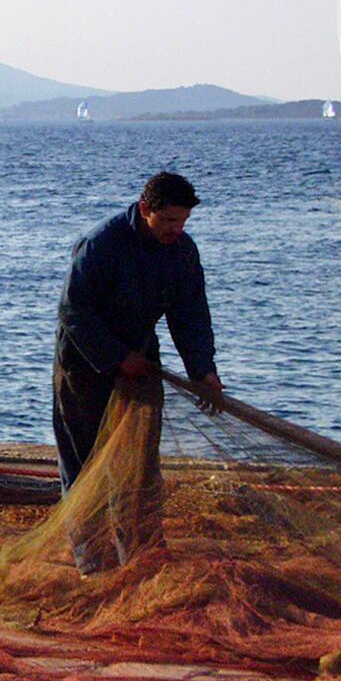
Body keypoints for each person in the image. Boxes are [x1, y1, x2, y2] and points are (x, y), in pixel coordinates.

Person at [54, 172, 223, 493]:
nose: (178, 229)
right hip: (85, 361)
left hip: (141, 354)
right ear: (145, 209)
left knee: (141, 459)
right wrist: (116, 356)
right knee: (85, 460)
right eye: (170, 219)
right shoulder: (102, 244)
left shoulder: (182, 251)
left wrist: (203, 370)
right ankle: (84, 541)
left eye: (184, 221)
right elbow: (73, 310)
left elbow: (191, 315)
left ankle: (139, 538)